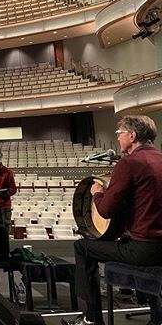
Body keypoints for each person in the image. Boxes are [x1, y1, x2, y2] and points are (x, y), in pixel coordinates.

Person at [64, 115, 162, 325]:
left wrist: (98, 192)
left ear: (132, 135)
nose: (117, 138)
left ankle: (92, 318)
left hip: (144, 249)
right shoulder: (160, 159)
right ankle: (157, 317)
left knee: (82, 247)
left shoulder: (129, 163)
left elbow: (106, 210)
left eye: (119, 134)